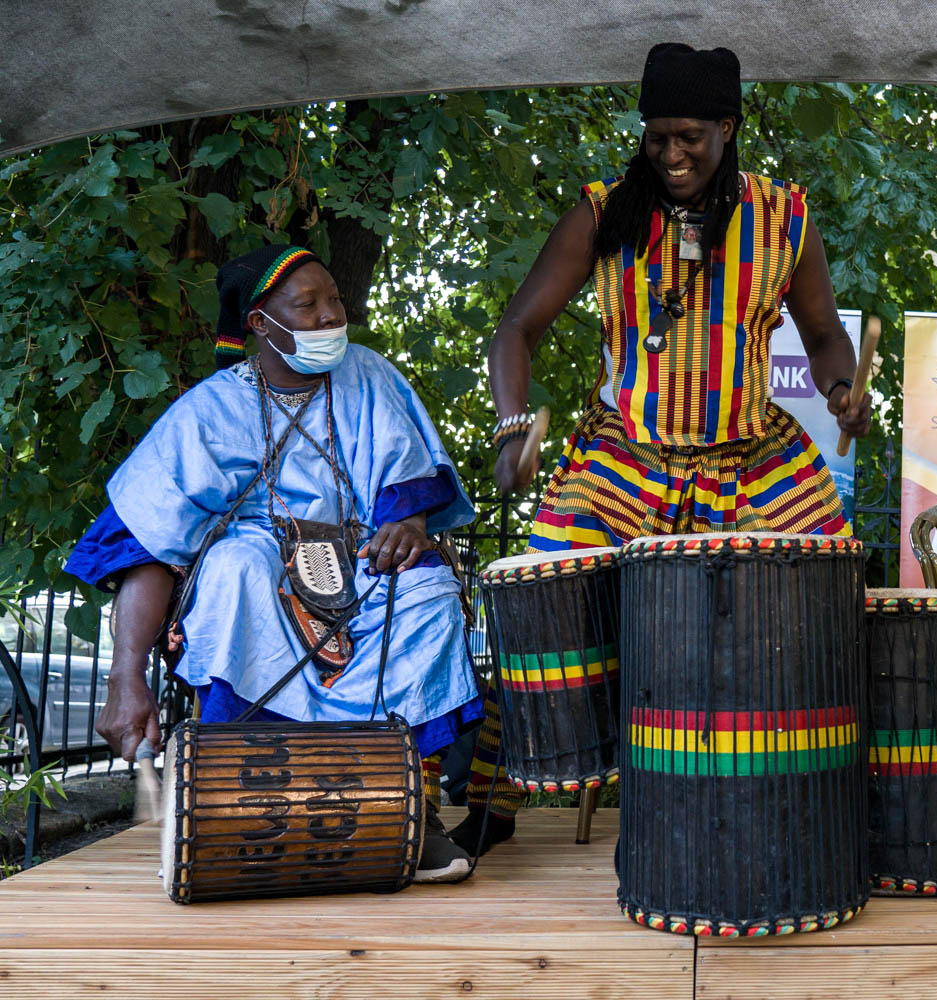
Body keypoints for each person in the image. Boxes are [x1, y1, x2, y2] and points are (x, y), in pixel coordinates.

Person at [453, 43, 873, 856]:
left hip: (752, 458)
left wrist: (841, 395)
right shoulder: (603, 213)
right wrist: (512, 432)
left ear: (728, 126)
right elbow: (517, 329)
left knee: (828, 598)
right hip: (627, 459)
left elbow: (825, 340)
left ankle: (832, 795)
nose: (672, 155)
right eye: (657, 138)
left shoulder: (784, 217)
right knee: (536, 602)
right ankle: (493, 803)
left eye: (690, 137)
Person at [65, 245, 483, 884]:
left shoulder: (371, 377)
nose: (329, 318)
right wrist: (127, 676)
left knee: (427, 590)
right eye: (307, 306)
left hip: (364, 554)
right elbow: (147, 541)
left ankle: (408, 812)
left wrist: (409, 524)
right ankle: (246, 812)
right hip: (264, 562)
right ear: (261, 323)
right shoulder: (209, 412)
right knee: (236, 566)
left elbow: (410, 487)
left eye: (335, 301)